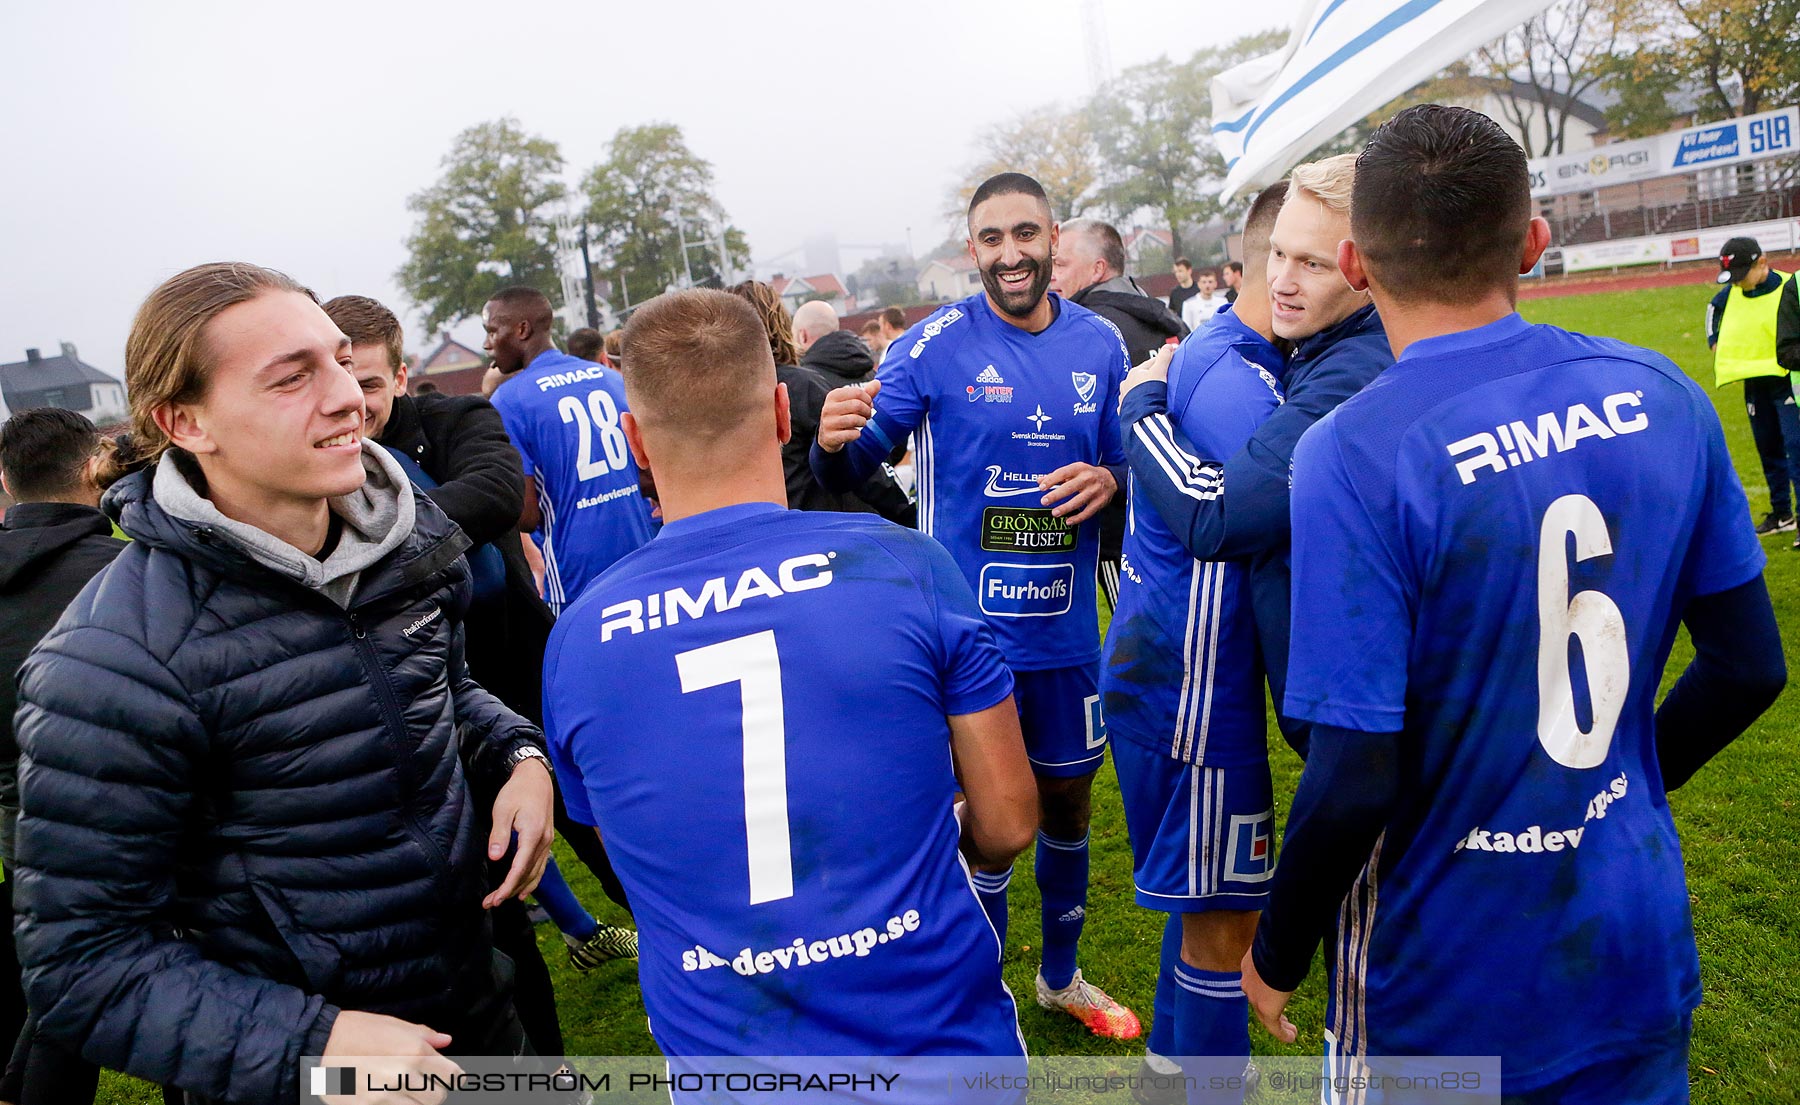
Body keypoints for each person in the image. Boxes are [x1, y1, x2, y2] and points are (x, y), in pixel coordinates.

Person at [1244, 103, 1786, 1103]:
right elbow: (1751, 665)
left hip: (1446, 975)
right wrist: (1626, 778)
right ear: (1533, 242)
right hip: (1627, 935)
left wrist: (1277, 948)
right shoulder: (1663, 392)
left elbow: (1355, 772)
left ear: (1357, 263)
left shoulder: (1353, 451)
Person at [12, 262, 557, 1102]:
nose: (347, 396)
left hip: (483, 1029)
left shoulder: (410, 544)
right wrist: (317, 1040)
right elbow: (83, 963)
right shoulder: (112, 657)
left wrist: (520, 754)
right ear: (185, 421)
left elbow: (443, 692)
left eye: (341, 361)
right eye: (293, 377)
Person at [544, 289, 1037, 1066]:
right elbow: (1008, 819)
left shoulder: (576, 640)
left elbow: (632, 852)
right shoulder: (904, 564)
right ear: (782, 412)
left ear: (635, 440)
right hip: (935, 1039)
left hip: (732, 1054)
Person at [812, 172, 1141, 1039]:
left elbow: (1122, 466)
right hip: (966, 645)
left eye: (1025, 235)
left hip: (1067, 636)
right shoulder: (930, 346)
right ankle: (981, 995)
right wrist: (831, 441)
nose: (1011, 255)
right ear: (972, 251)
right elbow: (852, 470)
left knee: (1069, 807)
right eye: (991, 239)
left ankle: (1059, 978)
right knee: (989, 830)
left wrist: (1110, 478)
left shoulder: (1102, 345)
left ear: (1054, 240)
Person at [326, 294, 637, 1057]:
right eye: (338, 380)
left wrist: (377, 537)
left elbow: (499, 493)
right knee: (495, 912)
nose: (352, 403)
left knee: (610, 838)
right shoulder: (323, 456)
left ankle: (700, 968)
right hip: (432, 714)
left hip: (529, 676)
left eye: (367, 382)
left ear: (401, 375)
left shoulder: (458, 421)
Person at [1101, 183, 1289, 1102]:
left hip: (1165, 670)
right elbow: (1235, 518)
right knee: (1227, 919)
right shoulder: (1240, 383)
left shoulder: (1219, 350)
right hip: (1194, 691)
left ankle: (1169, 1081)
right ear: (1275, 258)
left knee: (1201, 897)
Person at [1119, 154, 1391, 759]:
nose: (1281, 281)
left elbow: (1215, 516)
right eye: (1277, 255)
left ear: (1361, 266)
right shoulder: (1322, 340)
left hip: (1363, 723)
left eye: (1312, 264)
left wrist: (1138, 407)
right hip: (1352, 709)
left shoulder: (1355, 370)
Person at [0, 408, 126, 1105]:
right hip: (124, 808)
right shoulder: (131, 572)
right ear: (91, 468)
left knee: (60, 985)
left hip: (18, 815)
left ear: (7, 482)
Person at [485, 286, 656, 615]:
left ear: (522, 329)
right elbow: (649, 474)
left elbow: (528, 514)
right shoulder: (611, 379)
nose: (487, 343)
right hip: (643, 554)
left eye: (493, 330)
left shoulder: (509, 400)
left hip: (576, 574)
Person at [1048, 217, 1188, 616]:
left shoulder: (1087, 334)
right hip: (1185, 505)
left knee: (1141, 640)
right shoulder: (1166, 320)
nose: (1051, 275)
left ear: (1097, 269)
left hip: (1121, 525)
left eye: (1061, 264)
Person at [726, 281, 912, 521]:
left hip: (765, 531)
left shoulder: (721, 398)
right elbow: (868, 465)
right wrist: (907, 513)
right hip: (824, 526)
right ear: (780, 324)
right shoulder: (802, 386)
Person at [1708, 236, 1800, 536]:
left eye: (1740, 275)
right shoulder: (1729, 294)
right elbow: (1713, 311)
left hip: (1787, 381)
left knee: (1796, 449)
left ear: (1762, 262)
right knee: (1768, 449)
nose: (1736, 283)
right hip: (1754, 383)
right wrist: (1714, 341)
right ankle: (1782, 514)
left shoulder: (1789, 286)